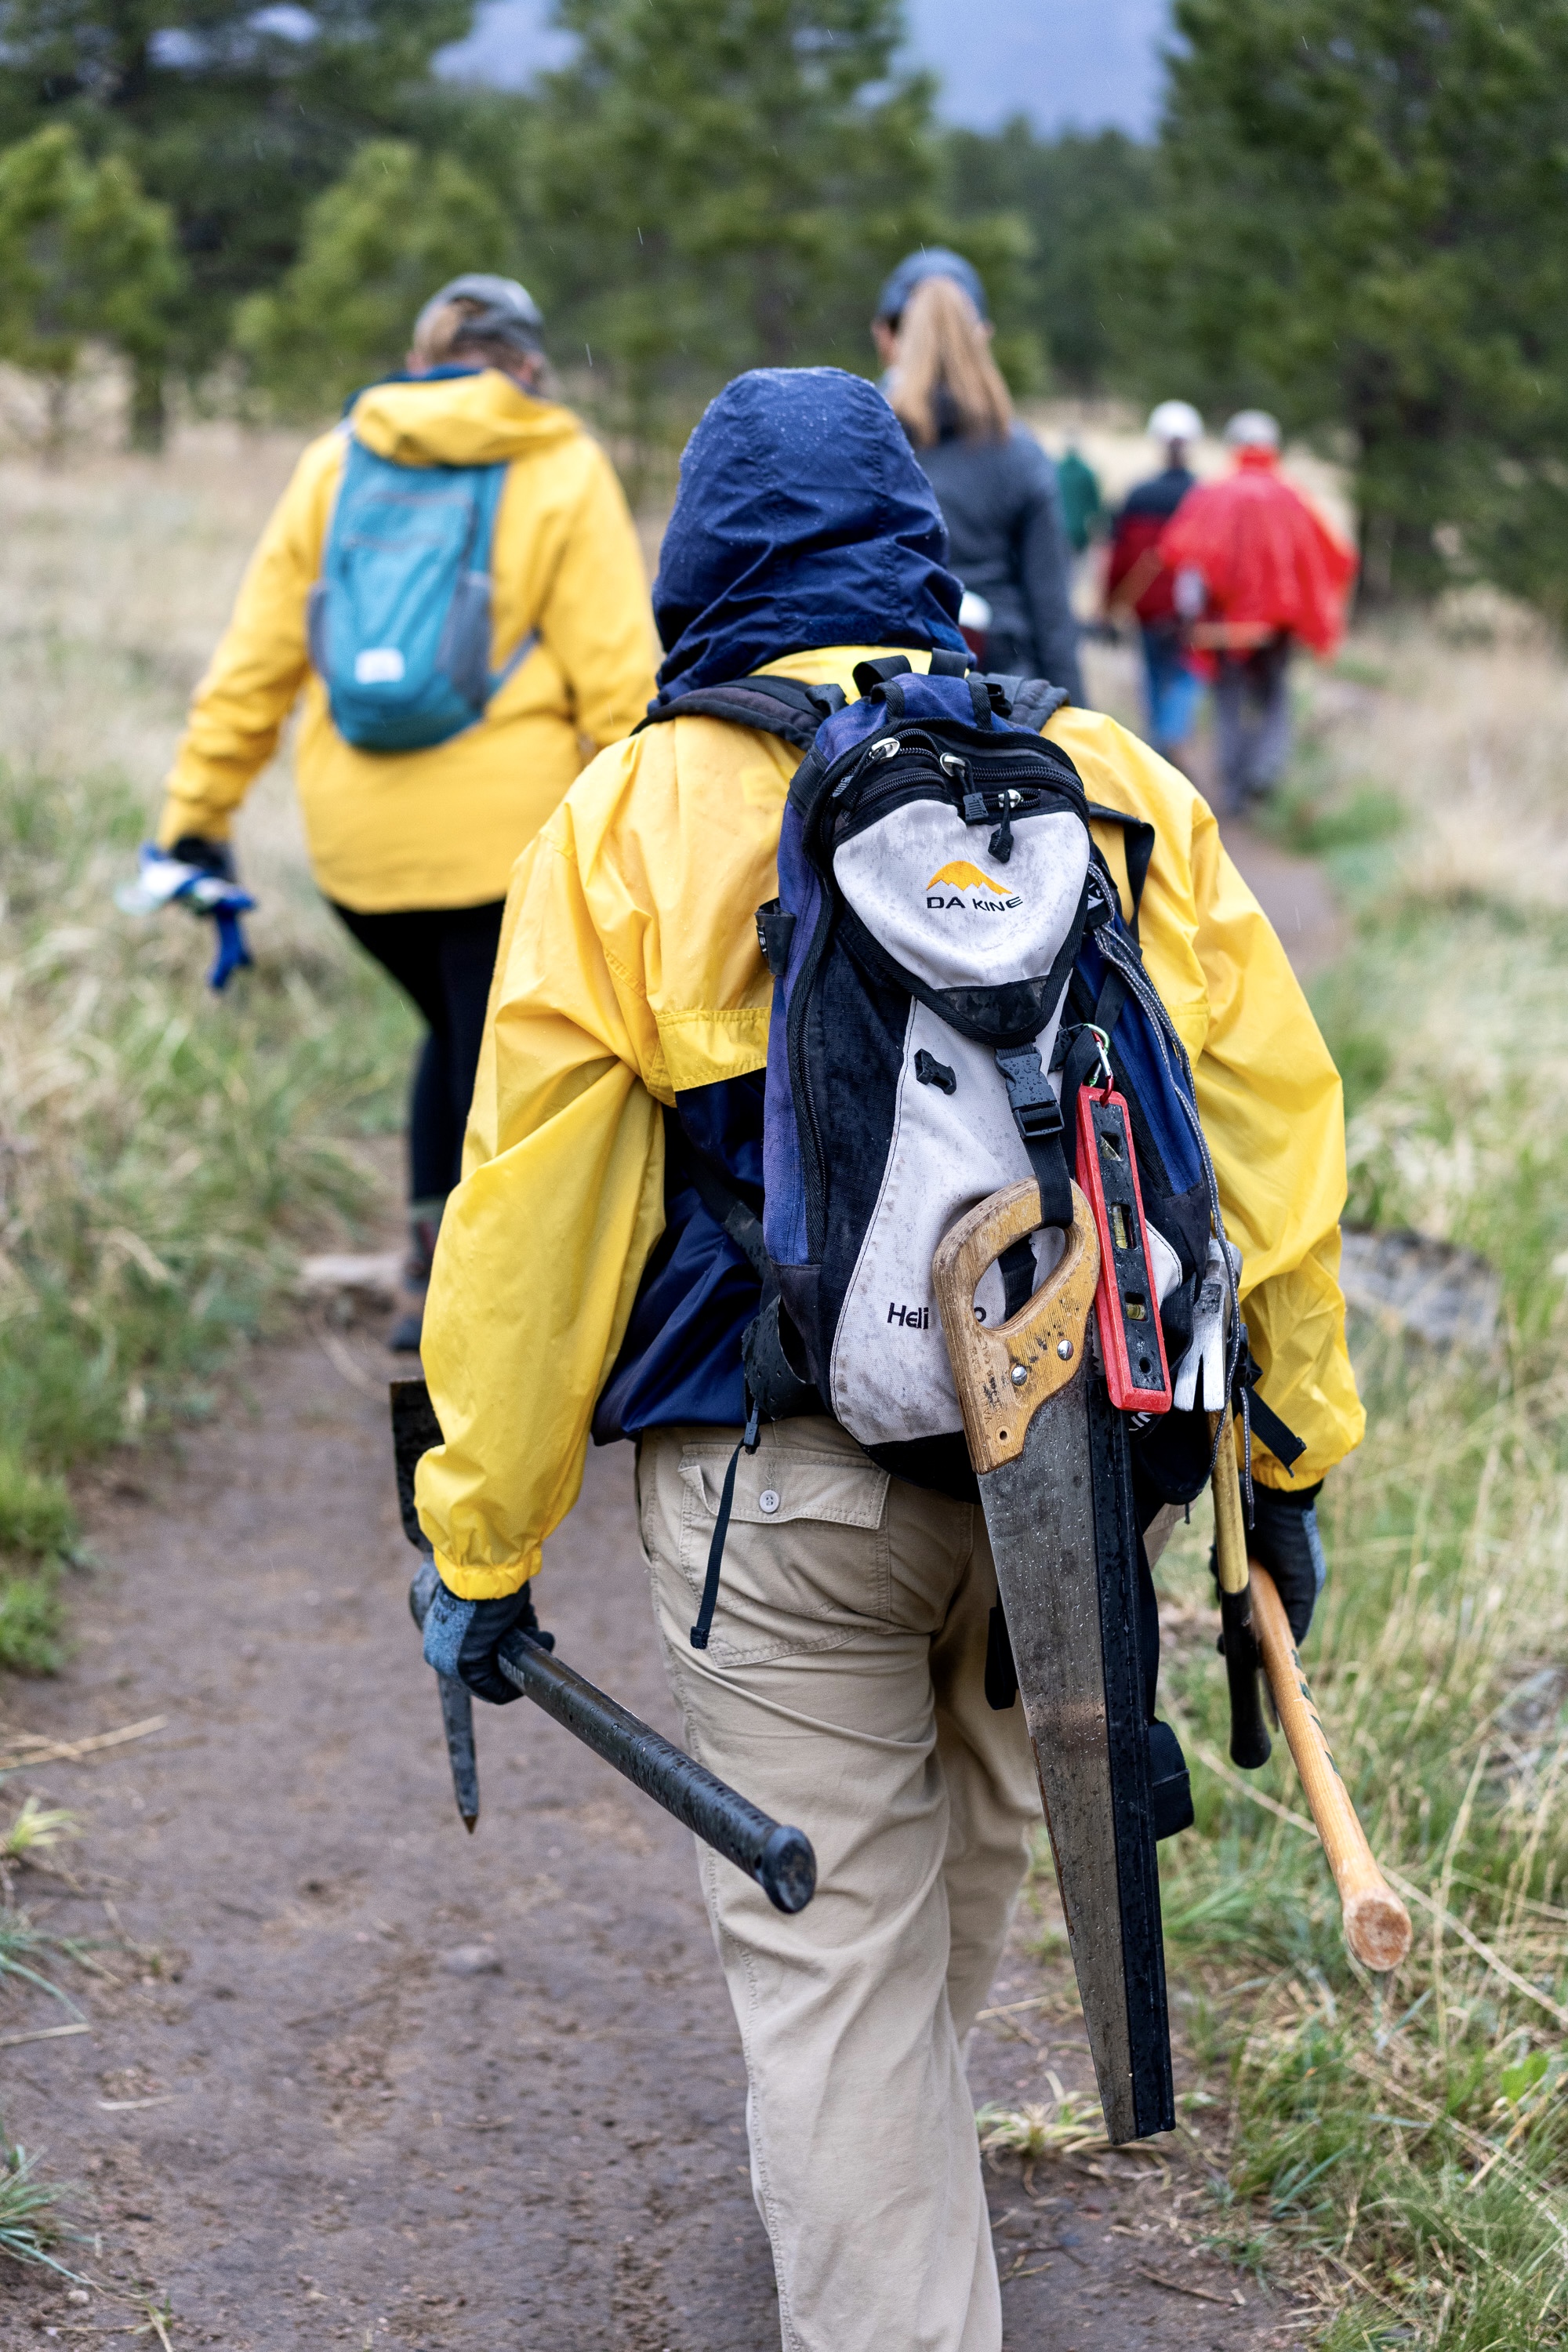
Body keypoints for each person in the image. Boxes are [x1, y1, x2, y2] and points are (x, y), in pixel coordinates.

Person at [410, 367, 1364, 2352]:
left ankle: (877, 2254)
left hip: (779, 1489)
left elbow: (528, 1226)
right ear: (917, 547)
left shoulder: (631, 820)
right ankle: (879, 2206)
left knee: (829, 1965)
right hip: (1073, 1484)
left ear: (697, 566)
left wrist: (480, 1539)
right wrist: (1284, 1464)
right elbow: (1271, 1139)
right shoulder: (1104, 777)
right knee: (936, 1911)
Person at [152, 273, 657, 1347]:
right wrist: (655, 835)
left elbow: (256, 662)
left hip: (356, 852)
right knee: (501, 1062)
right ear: (526, 365)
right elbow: (620, 683)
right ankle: (494, 1312)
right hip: (502, 845)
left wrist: (197, 810)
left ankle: (433, 1262)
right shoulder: (559, 463)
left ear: (425, 356)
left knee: (458, 1032)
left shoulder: (335, 461)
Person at [872, 251, 1083, 700]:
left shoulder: (862, 443)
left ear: (886, 336)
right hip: (1004, 692)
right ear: (982, 335)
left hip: (885, 697)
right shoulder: (1020, 452)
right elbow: (1052, 612)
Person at [1160, 408, 1358, 814]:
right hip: (1277, 626)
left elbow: (1185, 558)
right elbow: (1330, 558)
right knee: (1274, 698)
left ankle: (1234, 786)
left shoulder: (1213, 496)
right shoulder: (1292, 497)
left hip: (1226, 627)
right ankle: (1264, 772)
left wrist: (1192, 618)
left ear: (1235, 446)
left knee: (1229, 699)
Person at [1104, 398, 1203, 769]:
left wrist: (1108, 604)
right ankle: (1172, 733)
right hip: (1189, 611)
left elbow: (1117, 557)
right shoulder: (1204, 496)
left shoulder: (1137, 495)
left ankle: (1158, 748)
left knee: (1152, 674)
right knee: (1188, 672)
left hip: (1144, 605)